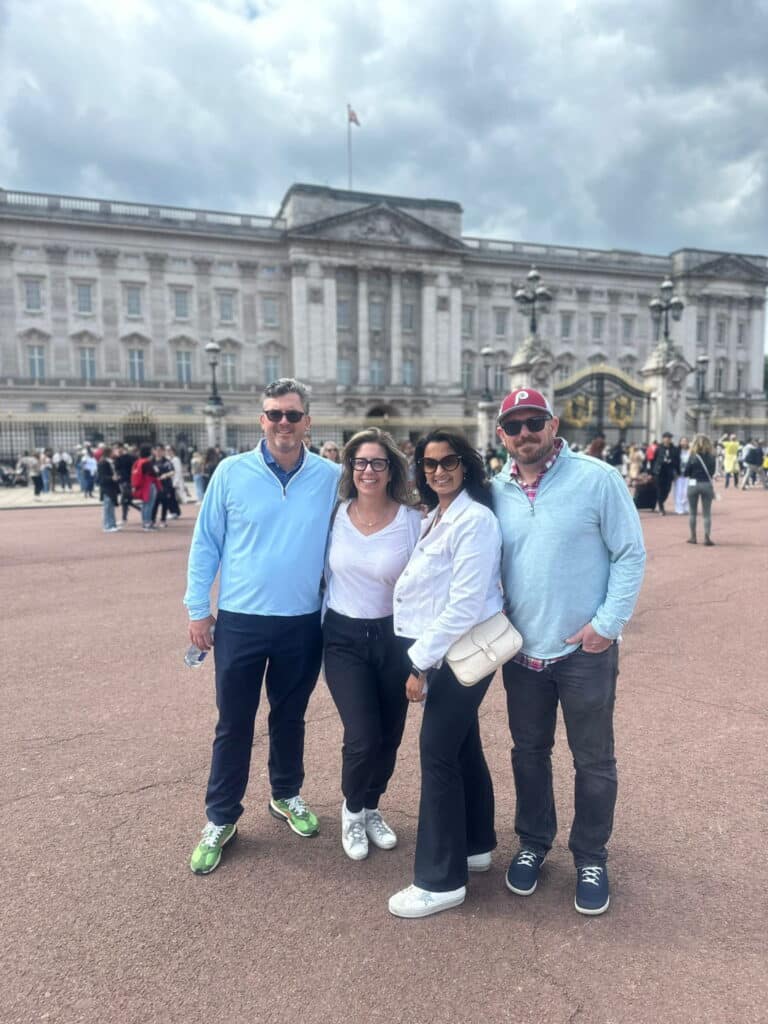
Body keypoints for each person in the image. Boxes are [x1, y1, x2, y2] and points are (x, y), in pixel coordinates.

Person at [491, 387, 645, 916]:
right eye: (514, 426)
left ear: (553, 425)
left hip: (585, 649)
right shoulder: (495, 491)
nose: (525, 433)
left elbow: (629, 554)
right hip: (522, 653)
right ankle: (534, 842)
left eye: (534, 422)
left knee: (593, 760)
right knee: (528, 754)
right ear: (502, 435)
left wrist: (606, 625)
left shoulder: (596, 478)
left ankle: (590, 855)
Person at [184, 378, 341, 875]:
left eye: (293, 415)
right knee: (233, 722)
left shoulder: (332, 476)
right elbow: (206, 543)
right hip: (241, 620)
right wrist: (196, 608)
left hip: (301, 622)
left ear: (308, 422)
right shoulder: (231, 473)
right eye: (274, 414)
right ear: (262, 420)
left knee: (289, 717)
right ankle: (221, 816)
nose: (283, 424)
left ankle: (286, 793)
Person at [388, 429, 503, 919]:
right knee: (462, 745)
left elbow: (465, 603)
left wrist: (419, 662)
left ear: (466, 464)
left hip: (458, 651)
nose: (438, 470)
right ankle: (476, 844)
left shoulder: (473, 520)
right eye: (429, 463)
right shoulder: (436, 516)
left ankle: (440, 879)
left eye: (448, 461)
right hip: (450, 650)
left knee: (436, 753)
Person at [323, 428, 422, 861]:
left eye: (378, 463)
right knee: (362, 735)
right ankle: (351, 809)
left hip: (394, 638)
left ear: (391, 469)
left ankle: (372, 805)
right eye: (360, 462)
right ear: (350, 468)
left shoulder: (412, 520)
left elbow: (425, 586)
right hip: (343, 636)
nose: (368, 470)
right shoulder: (334, 516)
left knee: (390, 735)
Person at [684, 434, 717, 546]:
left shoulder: (692, 456)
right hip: (706, 484)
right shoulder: (712, 456)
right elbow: (712, 473)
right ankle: (707, 537)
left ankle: (693, 537)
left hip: (693, 484)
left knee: (692, 513)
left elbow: (686, 472)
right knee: (706, 513)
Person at [651, 432, 680, 514]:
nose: (667, 439)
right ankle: (661, 507)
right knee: (659, 489)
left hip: (669, 471)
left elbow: (677, 461)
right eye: (666, 438)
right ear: (663, 439)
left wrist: (678, 472)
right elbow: (654, 460)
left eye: (669, 438)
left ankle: (661, 502)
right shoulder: (658, 448)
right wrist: (652, 472)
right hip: (659, 472)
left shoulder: (674, 449)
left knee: (667, 489)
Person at [96, 445, 121, 532]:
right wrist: (111, 478)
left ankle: (112, 524)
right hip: (107, 487)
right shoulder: (103, 463)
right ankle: (107, 526)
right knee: (107, 507)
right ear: (109, 453)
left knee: (111, 506)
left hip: (112, 486)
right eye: (113, 451)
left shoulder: (110, 462)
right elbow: (102, 477)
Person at [674, 437, 691, 515]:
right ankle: (679, 508)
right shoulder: (677, 451)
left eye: (685, 441)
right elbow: (674, 462)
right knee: (679, 492)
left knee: (687, 491)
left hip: (688, 474)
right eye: (682, 441)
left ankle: (686, 507)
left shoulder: (690, 451)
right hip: (679, 474)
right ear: (680, 442)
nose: (684, 443)